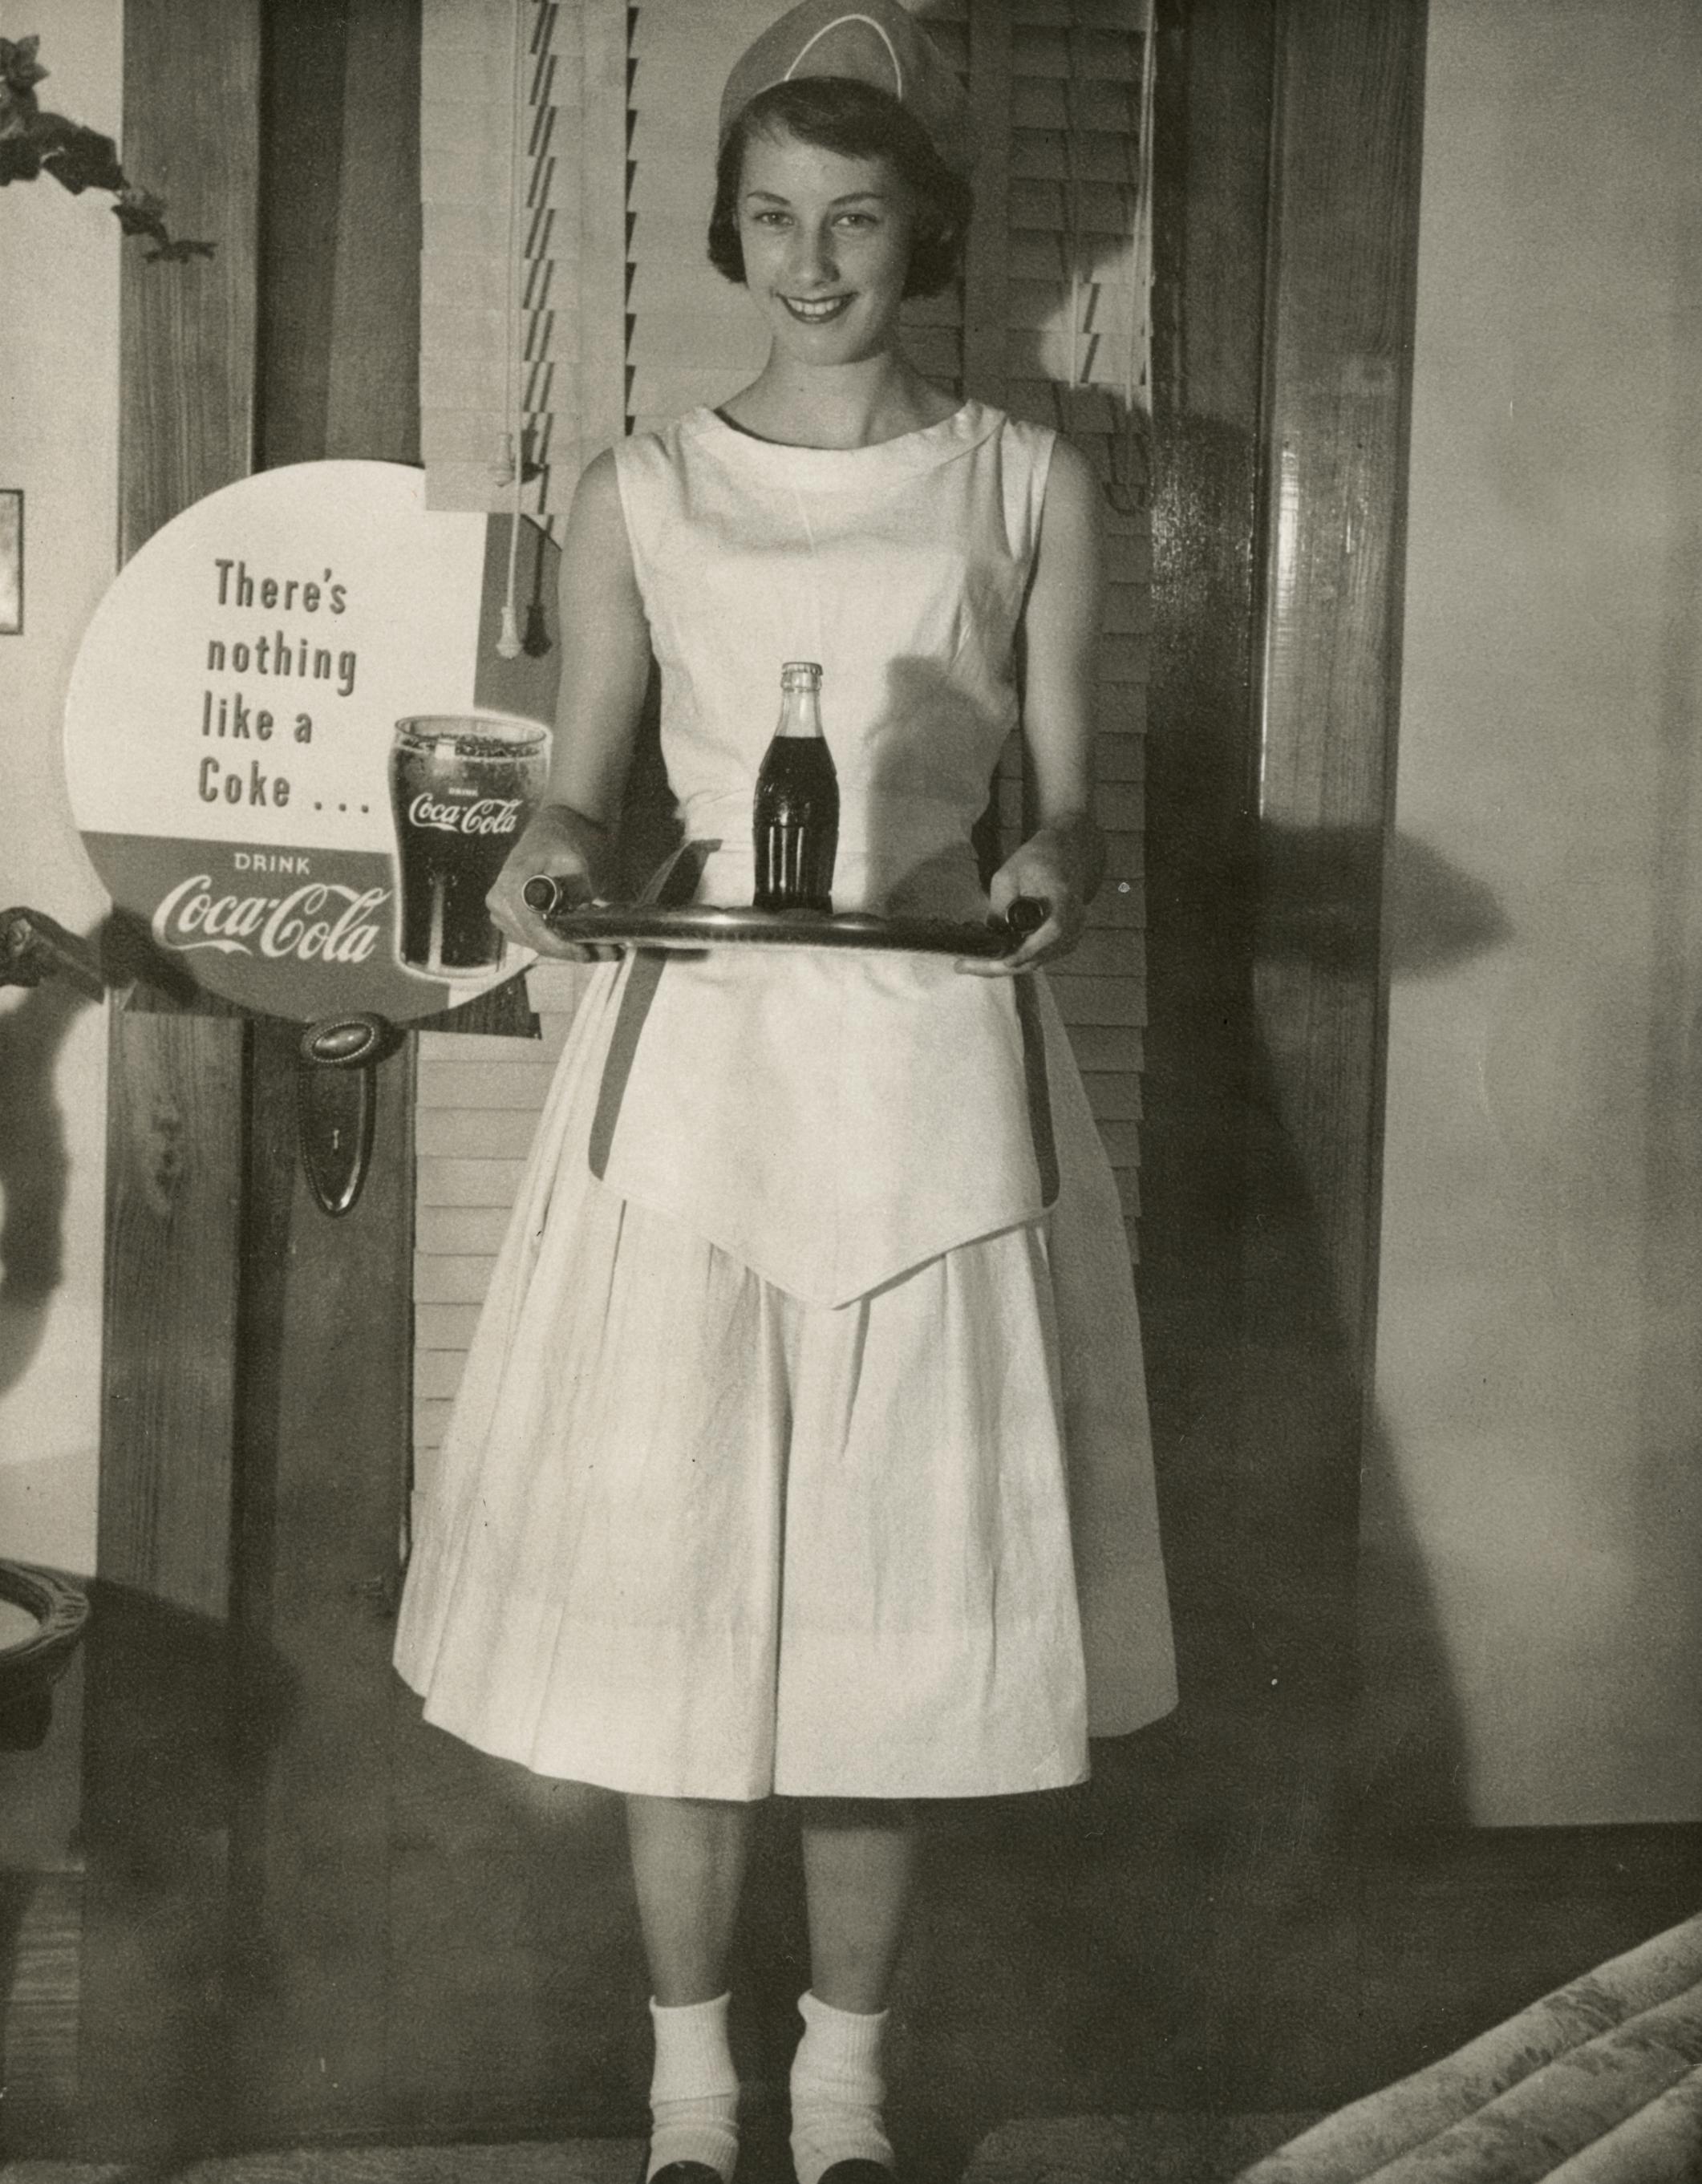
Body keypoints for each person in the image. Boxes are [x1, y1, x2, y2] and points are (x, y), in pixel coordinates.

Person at [393, 6, 1176, 2181]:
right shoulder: (640, 486)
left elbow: (1068, 812)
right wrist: (547, 865)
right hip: (704, 1075)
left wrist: (1052, 869)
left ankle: (843, 2094)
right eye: (773, 218)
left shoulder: (1025, 479)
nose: (813, 262)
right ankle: (689, 2097)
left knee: (884, 1605)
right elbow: (576, 792)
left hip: (930, 1071)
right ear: (728, 236)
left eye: (856, 220)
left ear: (926, 234)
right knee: (681, 1596)